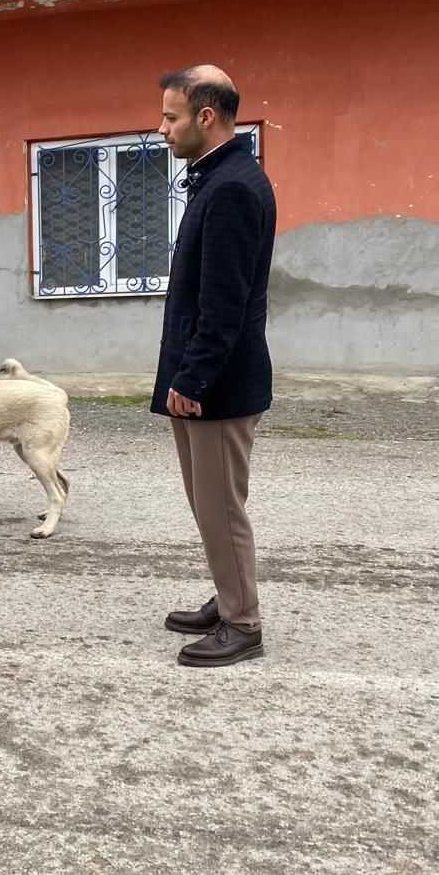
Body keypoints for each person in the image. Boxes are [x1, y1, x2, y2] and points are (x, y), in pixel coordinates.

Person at [153, 65, 278, 668]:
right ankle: (230, 595)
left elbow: (224, 304)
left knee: (221, 506)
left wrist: (193, 379)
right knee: (211, 504)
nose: (162, 129)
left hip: (218, 385)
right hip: (210, 379)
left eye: (171, 117)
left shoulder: (230, 186)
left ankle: (243, 623)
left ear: (206, 116)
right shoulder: (219, 178)